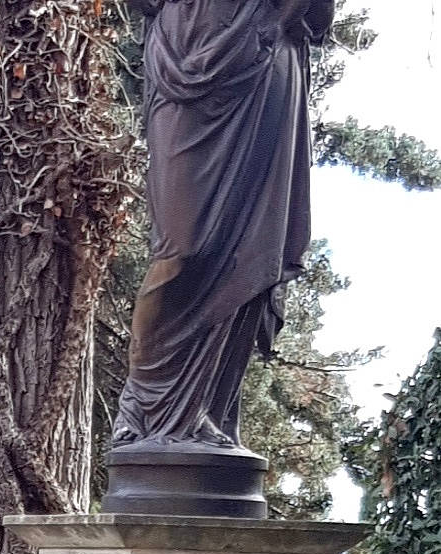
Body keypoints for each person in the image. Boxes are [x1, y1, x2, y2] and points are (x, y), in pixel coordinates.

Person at [112, 0, 336, 449]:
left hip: (265, 53)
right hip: (187, 48)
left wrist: (276, 19)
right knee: (183, 247)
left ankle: (208, 412)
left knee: (250, 244)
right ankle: (146, 407)